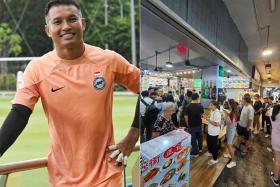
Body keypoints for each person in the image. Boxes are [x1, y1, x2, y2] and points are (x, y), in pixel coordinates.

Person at [0, 1, 140, 186]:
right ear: (48, 30)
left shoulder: (108, 60)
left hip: (107, 175)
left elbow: (149, 88)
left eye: (72, 19)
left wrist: (133, 135)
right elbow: (19, 113)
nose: (66, 26)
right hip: (63, 178)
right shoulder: (37, 69)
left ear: (82, 23)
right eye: (57, 22)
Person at [203, 100, 221, 165]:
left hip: (214, 132)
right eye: (209, 105)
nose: (209, 106)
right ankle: (210, 152)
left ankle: (215, 159)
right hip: (210, 131)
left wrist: (208, 119)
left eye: (211, 105)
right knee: (209, 142)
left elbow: (217, 124)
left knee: (214, 146)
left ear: (215, 106)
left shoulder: (217, 113)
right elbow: (211, 119)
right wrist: (207, 118)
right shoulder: (212, 111)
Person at [223, 99, 240, 168]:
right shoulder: (235, 111)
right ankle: (229, 154)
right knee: (229, 143)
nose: (228, 105)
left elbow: (228, 122)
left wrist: (226, 115)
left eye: (229, 104)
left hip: (231, 129)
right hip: (231, 129)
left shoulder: (233, 113)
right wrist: (227, 114)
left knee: (229, 144)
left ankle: (233, 161)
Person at [271, 104, 280, 186]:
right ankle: (275, 177)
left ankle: (275, 176)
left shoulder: (273, 115)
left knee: (276, 158)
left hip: (275, 140)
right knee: (277, 159)